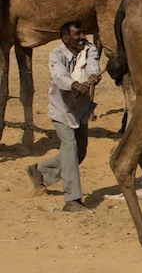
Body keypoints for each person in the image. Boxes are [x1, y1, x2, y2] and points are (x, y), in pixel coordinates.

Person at [25, 21, 102, 212]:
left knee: (80, 151)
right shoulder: (56, 54)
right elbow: (59, 76)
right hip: (61, 109)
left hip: (81, 109)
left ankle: (39, 171)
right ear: (66, 38)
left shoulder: (89, 49)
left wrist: (94, 76)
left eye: (83, 33)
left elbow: (93, 64)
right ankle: (72, 200)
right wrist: (76, 85)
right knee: (71, 147)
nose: (83, 37)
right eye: (77, 34)